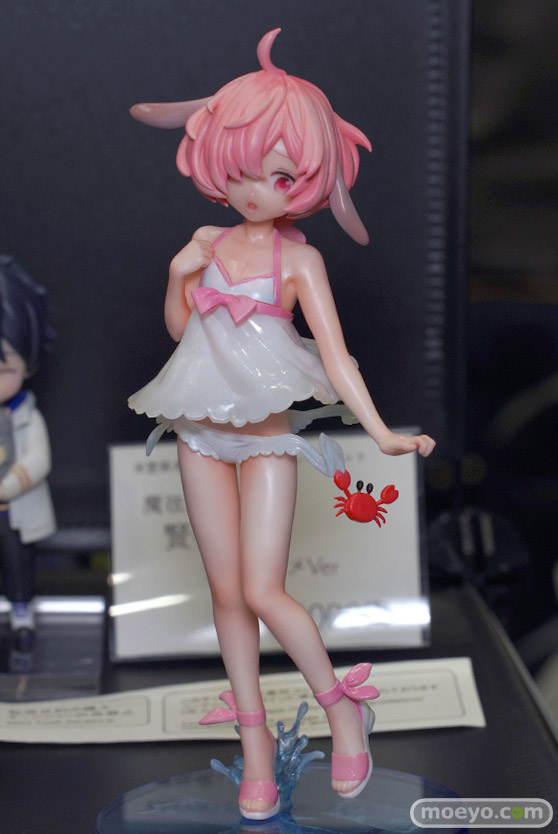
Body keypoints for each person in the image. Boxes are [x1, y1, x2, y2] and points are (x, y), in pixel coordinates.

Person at [129, 29, 435, 821]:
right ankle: (257, 747)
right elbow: (183, 335)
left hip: (265, 438)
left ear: (307, 183)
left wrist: (382, 432)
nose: (254, 188)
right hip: (198, 432)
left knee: (265, 589)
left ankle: (340, 707)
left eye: (278, 175)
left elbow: (336, 358)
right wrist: (178, 276)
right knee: (227, 593)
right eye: (239, 169)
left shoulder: (299, 262)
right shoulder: (205, 244)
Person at [0, 256, 56, 651]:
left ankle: (22, 614)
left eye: (4, 370)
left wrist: (7, 487)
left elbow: (39, 460)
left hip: (14, 511)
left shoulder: (27, 416)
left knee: (18, 563)